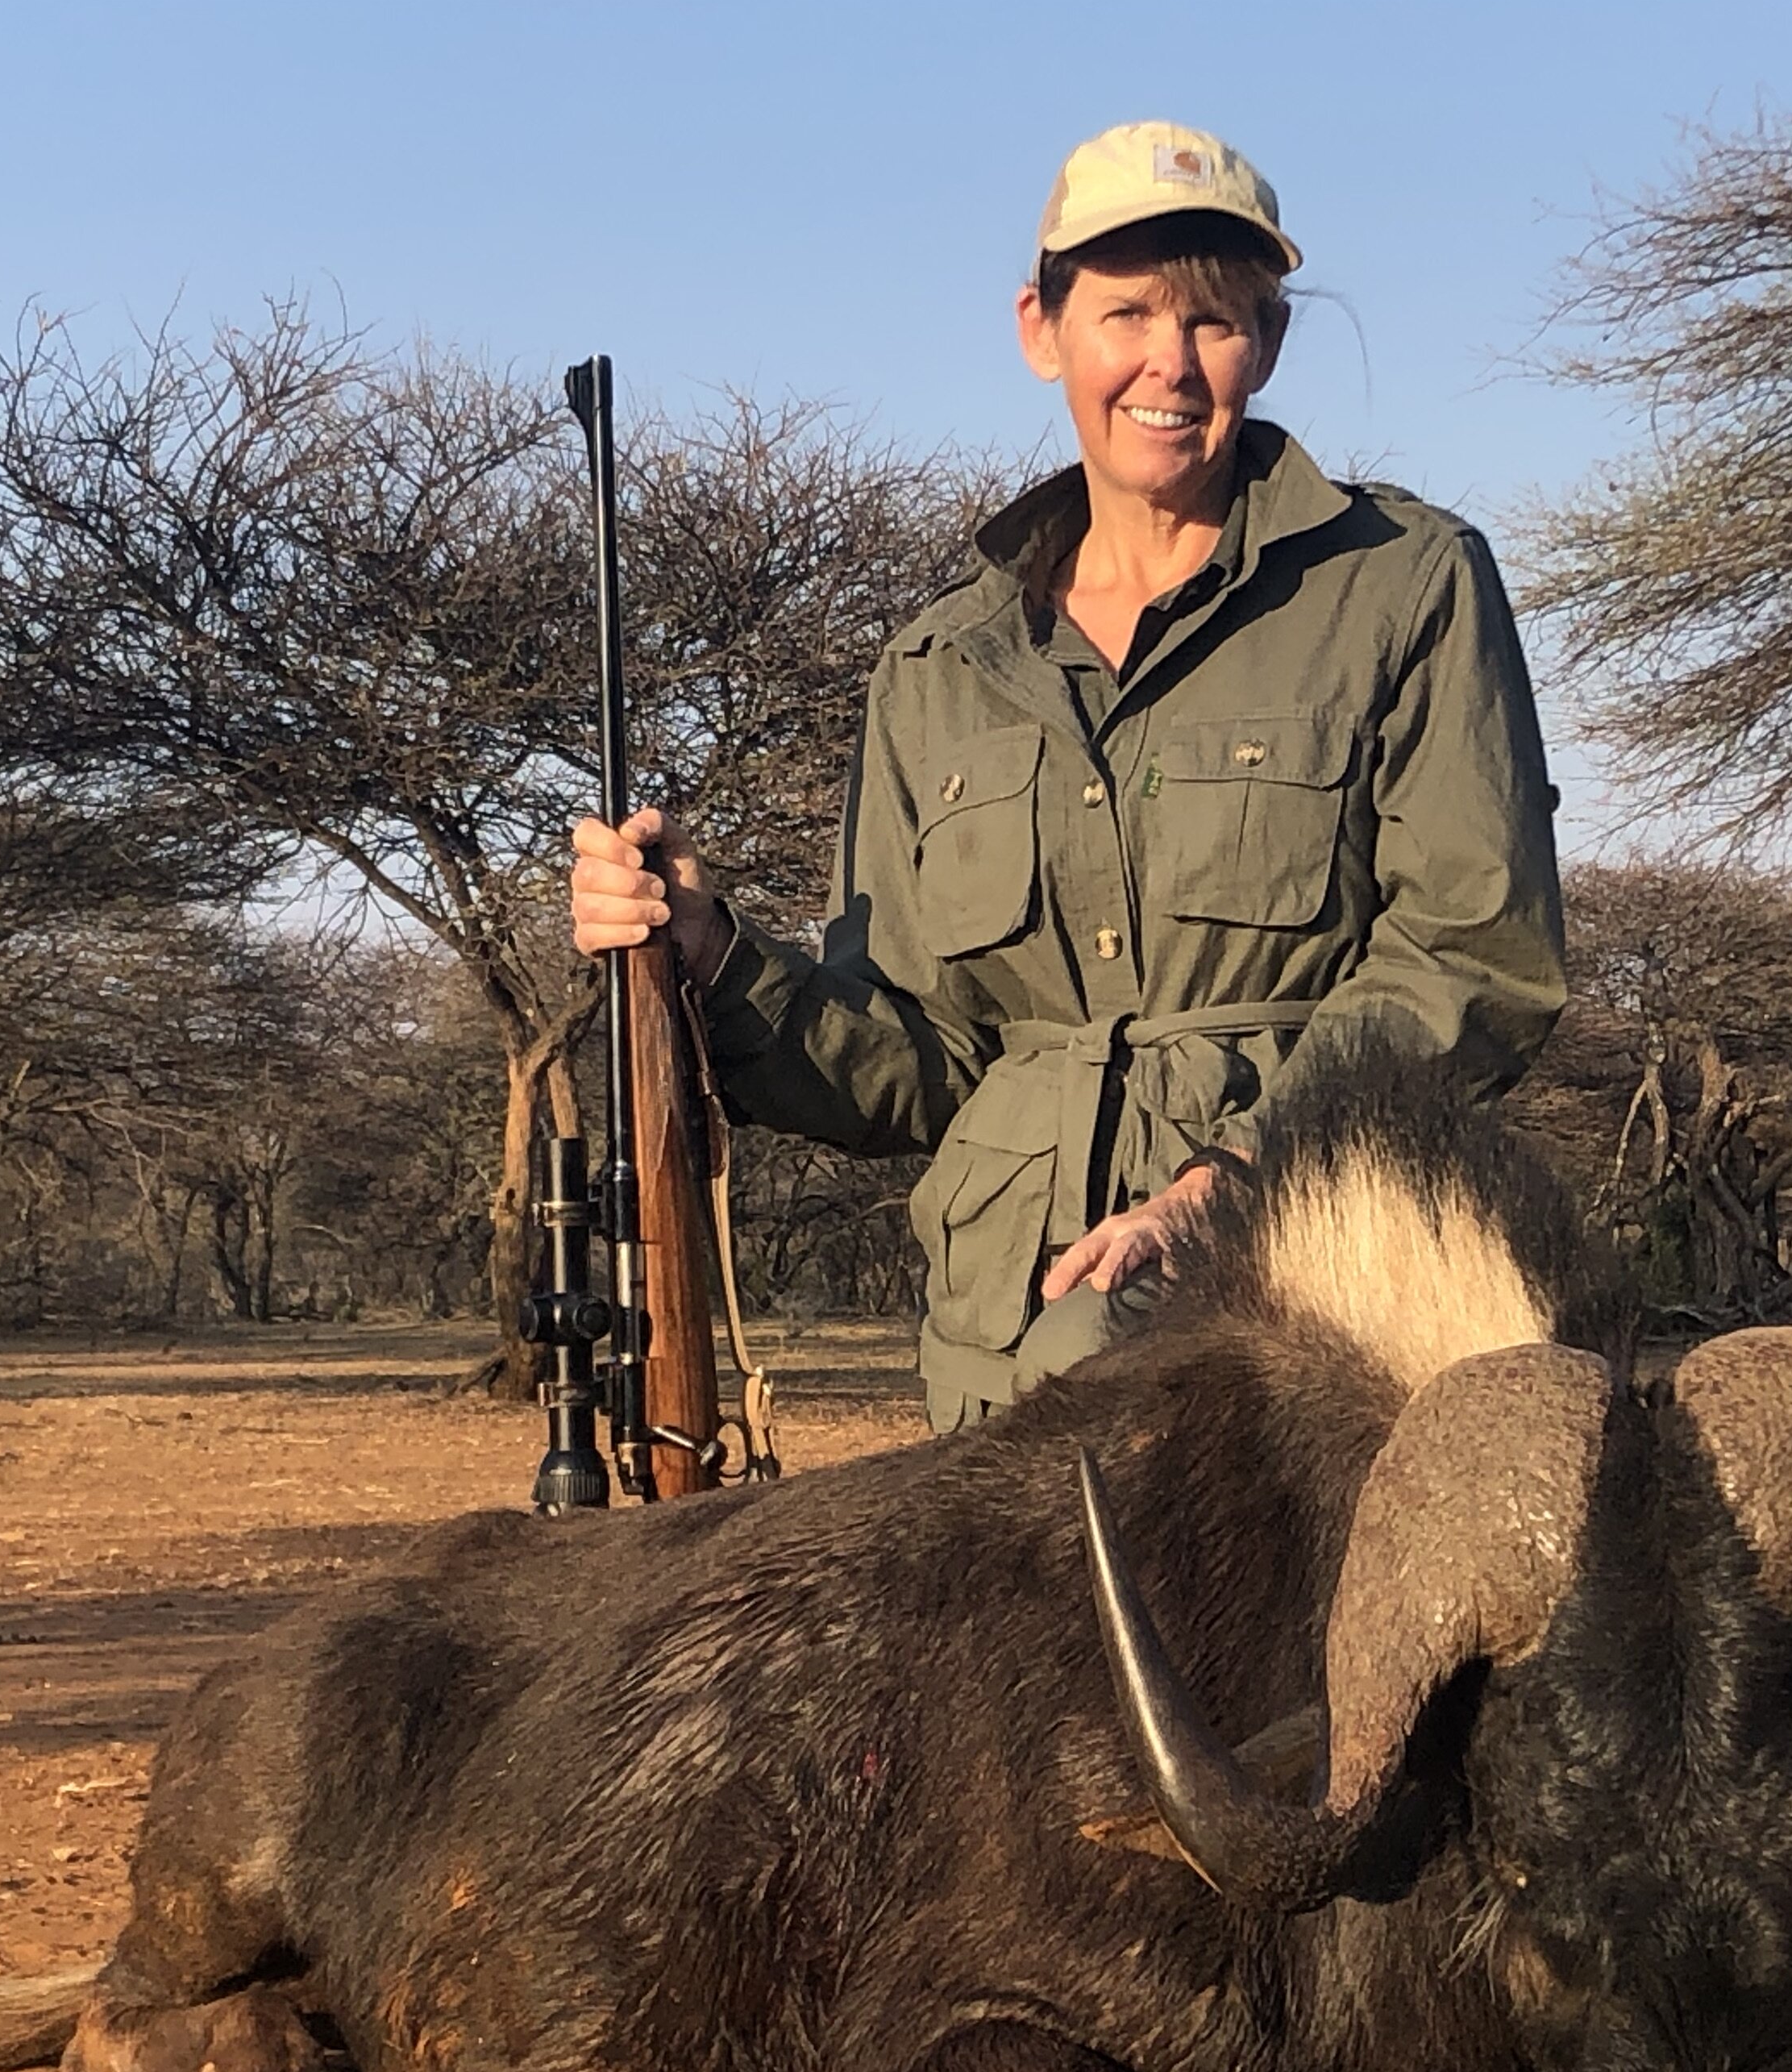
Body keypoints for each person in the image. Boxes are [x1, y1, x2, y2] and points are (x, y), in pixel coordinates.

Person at [571, 121, 1566, 1430]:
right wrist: (710, 954)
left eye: (1214, 320)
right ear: (1042, 330)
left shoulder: (1408, 581)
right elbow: (919, 1054)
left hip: (1312, 1325)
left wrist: (1240, 1172)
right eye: (1126, 312)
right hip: (997, 1355)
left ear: (1266, 344)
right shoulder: (936, 663)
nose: (1169, 362)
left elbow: (1471, 954)